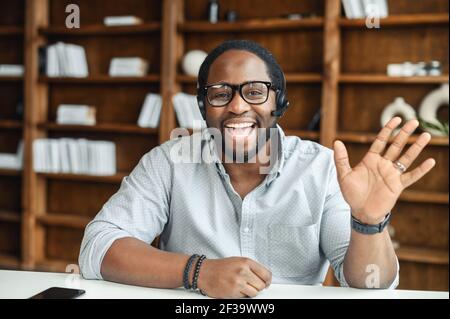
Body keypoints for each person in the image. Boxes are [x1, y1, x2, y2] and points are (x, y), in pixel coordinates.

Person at [79, 40, 436, 298]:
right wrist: (198, 271)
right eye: (220, 93)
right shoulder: (168, 162)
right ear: (203, 107)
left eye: (254, 92)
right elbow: (97, 248)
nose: (237, 106)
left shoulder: (321, 167)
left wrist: (369, 223)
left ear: (278, 102)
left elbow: (371, 284)